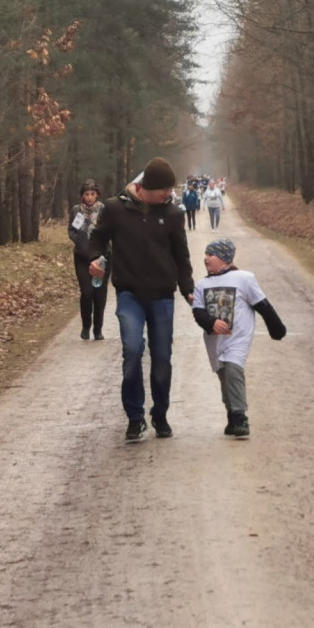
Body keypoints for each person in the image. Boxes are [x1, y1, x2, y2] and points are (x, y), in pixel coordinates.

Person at [89, 157, 195, 442]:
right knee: (133, 350)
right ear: (147, 187)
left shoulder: (173, 214)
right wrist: (94, 259)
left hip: (162, 296)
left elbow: (181, 255)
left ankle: (159, 415)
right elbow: (97, 239)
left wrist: (188, 287)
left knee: (162, 359)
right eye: (164, 190)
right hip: (129, 294)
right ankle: (135, 418)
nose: (168, 194)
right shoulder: (115, 208)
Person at [192, 238, 286, 438]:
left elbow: (262, 305)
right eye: (206, 254)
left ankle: (240, 417)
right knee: (225, 376)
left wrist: (276, 329)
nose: (206, 258)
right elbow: (198, 312)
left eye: (211, 254)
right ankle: (231, 416)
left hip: (238, 338)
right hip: (215, 341)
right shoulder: (201, 285)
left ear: (225, 258)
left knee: (233, 369)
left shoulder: (244, 278)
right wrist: (210, 323)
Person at [68, 179, 109, 340]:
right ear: (82, 196)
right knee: (86, 292)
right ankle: (86, 325)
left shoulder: (104, 210)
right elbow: (71, 230)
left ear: (97, 195)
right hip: (82, 256)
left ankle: (98, 329)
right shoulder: (76, 211)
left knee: (99, 293)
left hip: (102, 258)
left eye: (92, 194)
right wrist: (79, 241)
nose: (90, 197)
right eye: (87, 194)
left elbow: (110, 230)